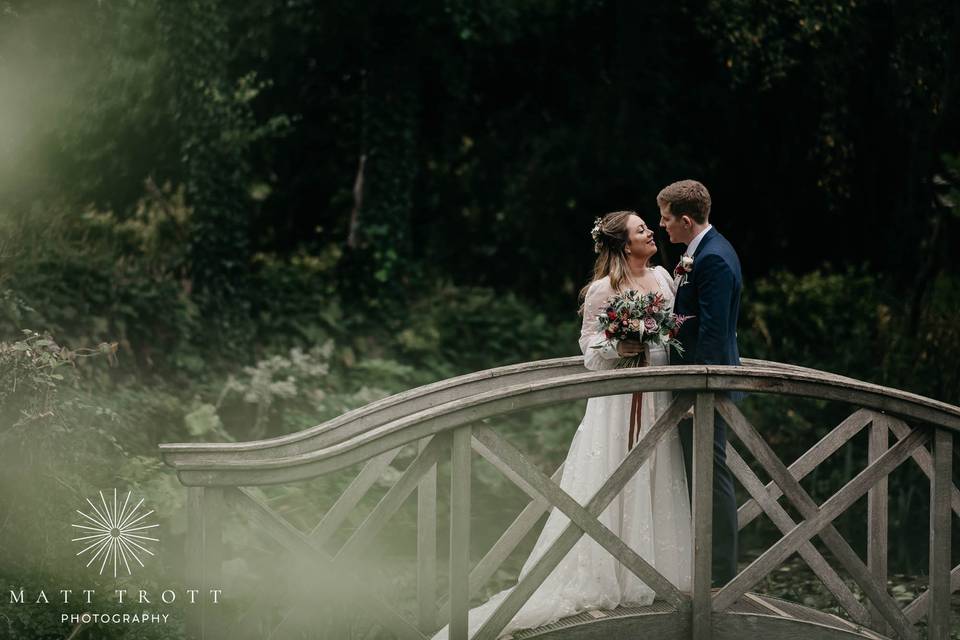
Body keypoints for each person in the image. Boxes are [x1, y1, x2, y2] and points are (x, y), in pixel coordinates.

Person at [431, 211, 691, 640]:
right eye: (642, 229)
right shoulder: (601, 291)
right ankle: (608, 574)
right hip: (618, 403)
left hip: (658, 398)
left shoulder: (664, 278)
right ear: (626, 245)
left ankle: (655, 576)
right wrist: (619, 342)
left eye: (648, 226)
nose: (650, 233)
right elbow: (590, 353)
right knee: (613, 480)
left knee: (656, 474)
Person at [657, 179, 741, 587]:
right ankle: (703, 565)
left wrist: (697, 391)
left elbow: (711, 332)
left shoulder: (714, 260)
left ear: (686, 220)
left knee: (711, 472)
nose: (662, 225)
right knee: (702, 470)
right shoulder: (702, 253)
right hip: (695, 386)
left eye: (667, 218)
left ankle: (720, 574)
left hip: (703, 389)